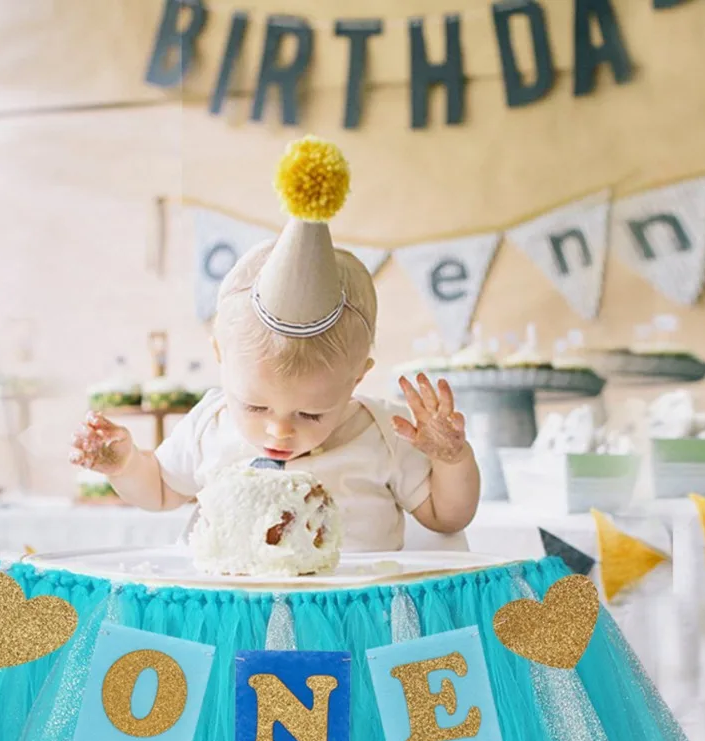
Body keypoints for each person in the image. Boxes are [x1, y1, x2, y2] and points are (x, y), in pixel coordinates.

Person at [71, 136, 480, 551]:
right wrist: (124, 465)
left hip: (345, 612)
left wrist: (452, 460)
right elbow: (159, 489)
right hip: (233, 609)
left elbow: (447, 517)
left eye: (311, 413)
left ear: (356, 378)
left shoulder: (381, 435)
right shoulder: (210, 425)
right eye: (254, 406)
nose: (279, 430)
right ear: (219, 357)